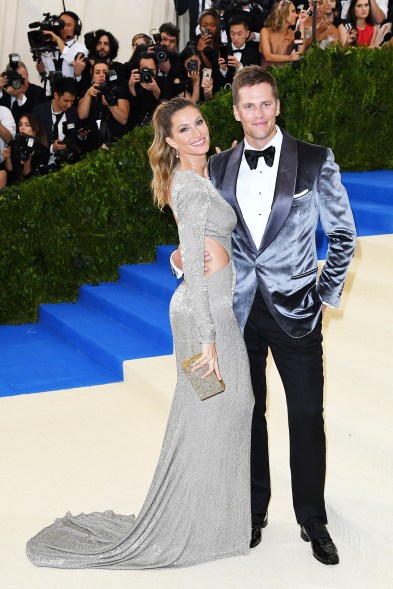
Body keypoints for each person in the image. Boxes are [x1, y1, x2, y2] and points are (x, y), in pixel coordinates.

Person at [26, 96, 255, 568]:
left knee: (223, 410)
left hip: (210, 305)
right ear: (168, 140)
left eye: (199, 123)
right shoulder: (188, 185)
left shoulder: (203, 173)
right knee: (214, 409)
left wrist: (177, 259)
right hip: (202, 314)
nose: (196, 133)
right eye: (184, 130)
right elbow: (193, 252)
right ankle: (194, 526)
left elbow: (192, 244)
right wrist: (207, 337)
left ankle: (217, 522)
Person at [200, 65, 356, 565]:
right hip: (240, 310)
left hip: (297, 310)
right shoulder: (219, 165)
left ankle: (313, 517)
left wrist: (322, 293)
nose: (259, 114)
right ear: (235, 111)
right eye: (249, 105)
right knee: (248, 414)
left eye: (266, 103)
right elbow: (214, 234)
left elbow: (344, 235)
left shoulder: (314, 159)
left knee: (308, 415)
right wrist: (191, 259)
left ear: (278, 105)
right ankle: (253, 509)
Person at [77, 60, 130, 148]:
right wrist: (88, 95)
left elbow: (123, 119)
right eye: (97, 72)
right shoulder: (86, 92)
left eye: (105, 72)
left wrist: (110, 104)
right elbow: (82, 115)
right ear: (92, 75)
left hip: (116, 143)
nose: (101, 75)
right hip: (93, 144)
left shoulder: (120, 90)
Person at [36, 11, 88, 96]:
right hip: (49, 96)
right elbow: (45, 75)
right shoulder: (49, 47)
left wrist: (58, 40)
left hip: (69, 98)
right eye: (62, 25)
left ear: (76, 28)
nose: (65, 28)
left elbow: (71, 60)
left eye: (68, 25)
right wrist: (41, 71)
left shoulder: (81, 48)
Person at [1, 113, 49, 183]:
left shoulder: (42, 151)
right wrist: (8, 158)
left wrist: (27, 163)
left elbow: (32, 179)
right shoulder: (13, 144)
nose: (22, 128)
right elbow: (10, 172)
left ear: (35, 129)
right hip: (12, 185)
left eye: (27, 125)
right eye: (20, 125)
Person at [260, 1, 307, 68]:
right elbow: (267, 56)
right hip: (265, 76)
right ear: (283, 13)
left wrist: (302, 23)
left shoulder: (292, 34)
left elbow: (300, 52)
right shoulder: (265, 31)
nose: (296, 15)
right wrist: (289, 58)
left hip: (285, 76)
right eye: (293, 11)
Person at [218, 15, 261, 87]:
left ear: (247, 34)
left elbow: (254, 79)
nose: (235, 38)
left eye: (239, 34)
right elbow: (218, 81)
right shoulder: (223, 50)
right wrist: (223, 69)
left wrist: (239, 67)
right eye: (232, 34)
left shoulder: (254, 53)